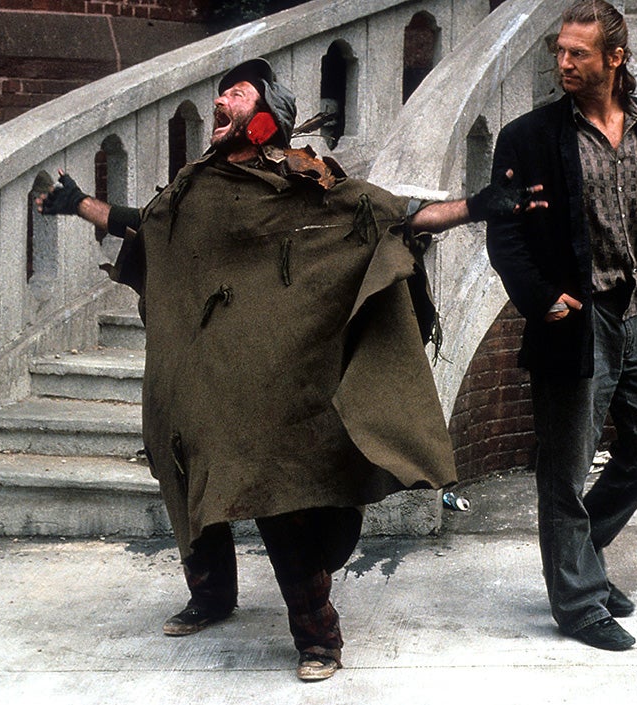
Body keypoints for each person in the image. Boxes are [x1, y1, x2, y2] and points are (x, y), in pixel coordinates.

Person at [38, 57, 543, 681]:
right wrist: (76, 202)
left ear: (268, 114)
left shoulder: (310, 180)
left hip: (271, 380)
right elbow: (142, 224)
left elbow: (391, 215)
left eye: (237, 93)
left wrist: (478, 205)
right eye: (219, 95)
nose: (221, 103)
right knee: (187, 473)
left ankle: (318, 639)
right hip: (197, 373)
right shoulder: (194, 185)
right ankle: (212, 598)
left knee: (279, 493)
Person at [485, 0, 637, 651]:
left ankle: (580, 550)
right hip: (578, 321)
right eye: (559, 50)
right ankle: (578, 602)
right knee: (565, 465)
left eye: (577, 52)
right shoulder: (528, 138)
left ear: (615, 57)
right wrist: (540, 298)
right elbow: (507, 234)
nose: (563, 62)